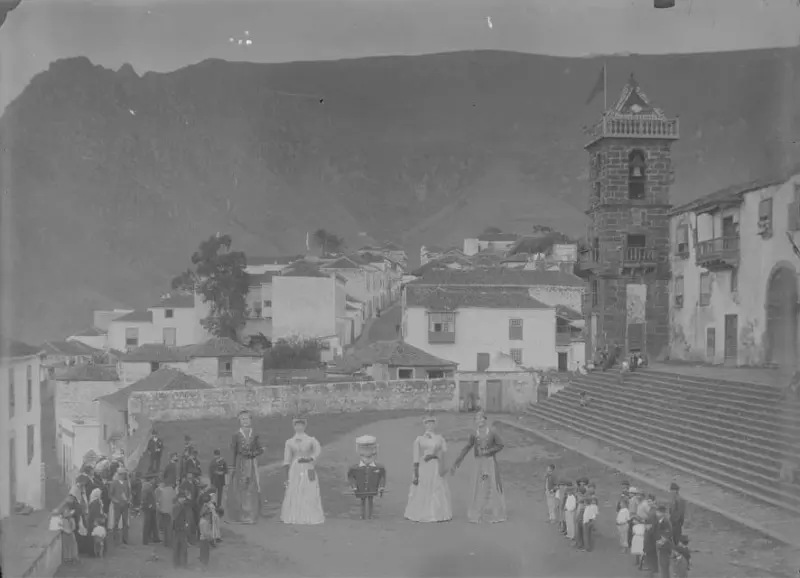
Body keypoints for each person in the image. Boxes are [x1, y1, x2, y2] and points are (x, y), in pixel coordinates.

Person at [450, 411, 507, 524]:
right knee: (479, 485)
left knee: (492, 484)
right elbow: (467, 447)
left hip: (490, 461)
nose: (479, 421)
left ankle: (494, 512)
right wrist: (458, 461)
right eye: (477, 419)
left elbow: (500, 445)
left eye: (481, 418)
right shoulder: (474, 434)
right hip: (478, 463)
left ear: (485, 419)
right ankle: (478, 512)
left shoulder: (492, 432)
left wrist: (488, 451)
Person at [404, 415, 453, 523]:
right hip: (425, 465)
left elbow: (444, 452)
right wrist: (416, 473)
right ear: (424, 424)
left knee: (437, 486)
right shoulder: (419, 439)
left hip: (435, 465)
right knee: (423, 486)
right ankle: (421, 511)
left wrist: (441, 459)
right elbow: (416, 457)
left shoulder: (439, 438)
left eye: (432, 423)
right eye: (427, 423)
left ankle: (438, 512)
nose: (430, 425)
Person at [280, 417, 325, 525]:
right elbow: (287, 459)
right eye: (296, 425)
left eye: (301, 425)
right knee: (295, 488)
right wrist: (286, 474)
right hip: (295, 467)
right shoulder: (289, 442)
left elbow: (318, 451)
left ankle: (310, 514)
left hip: (308, 466)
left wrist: (311, 458)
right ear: (294, 427)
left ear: (304, 426)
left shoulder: (311, 440)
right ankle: (295, 515)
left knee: (309, 487)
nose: (299, 427)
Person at [227, 410, 264, 524]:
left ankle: (252, 514)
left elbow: (259, 449)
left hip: (251, 463)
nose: (245, 421)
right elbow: (233, 451)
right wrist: (232, 466)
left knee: (252, 486)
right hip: (240, 463)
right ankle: (242, 514)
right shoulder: (236, 435)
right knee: (241, 486)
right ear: (239, 421)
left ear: (251, 420)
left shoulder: (254, 434)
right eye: (243, 419)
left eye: (247, 419)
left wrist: (254, 453)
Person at [347, 435, 386, 520]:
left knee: (370, 499)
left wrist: (381, 487)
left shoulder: (379, 467)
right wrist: (354, 486)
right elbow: (351, 477)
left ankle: (370, 515)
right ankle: (363, 515)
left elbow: (382, 476)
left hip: (372, 488)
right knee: (363, 500)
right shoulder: (355, 468)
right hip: (361, 488)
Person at [108, 468, 131, 545]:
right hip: (117, 505)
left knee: (125, 523)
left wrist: (128, 500)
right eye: (123, 474)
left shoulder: (126, 483)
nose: (124, 475)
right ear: (119, 475)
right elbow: (110, 494)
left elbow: (128, 493)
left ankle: (125, 539)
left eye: (124, 474)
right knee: (116, 522)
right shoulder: (114, 483)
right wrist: (115, 500)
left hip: (125, 505)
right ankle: (115, 538)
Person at [172, 489, 192, 569]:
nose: (184, 499)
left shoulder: (179, 505)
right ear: (180, 498)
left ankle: (178, 564)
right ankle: (183, 564)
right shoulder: (178, 506)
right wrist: (183, 525)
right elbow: (175, 518)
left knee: (178, 547)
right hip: (180, 529)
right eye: (183, 498)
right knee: (182, 547)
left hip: (179, 529)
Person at [654, 504, 674, 578]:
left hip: (665, 546)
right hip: (662, 546)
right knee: (662, 565)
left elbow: (667, 534)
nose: (657, 513)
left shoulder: (665, 521)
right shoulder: (660, 521)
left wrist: (659, 543)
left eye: (658, 512)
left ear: (662, 513)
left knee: (664, 564)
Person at [141, 474, 161, 545]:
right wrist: (148, 505)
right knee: (147, 523)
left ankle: (155, 538)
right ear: (151, 479)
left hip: (152, 507)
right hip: (149, 508)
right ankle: (145, 540)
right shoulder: (146, 486)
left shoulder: (150, 486)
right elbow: (144, 497)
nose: (154, 480)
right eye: (154, 479)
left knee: (153, 523)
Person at [155, 480, 173, 547]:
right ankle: (166, 541)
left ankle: (166, 541)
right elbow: (157, 500)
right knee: (164, 524)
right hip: (163, 510)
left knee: (166, 526)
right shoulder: (158, 490)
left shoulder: (165, 490)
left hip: (165, 510)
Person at [198, 494, 214, 568]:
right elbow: (205, 532)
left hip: (204, 539)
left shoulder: (204, 520)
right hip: (204, 540)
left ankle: (203, 567)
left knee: (205, 554)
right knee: (205, 555)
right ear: (205, 515)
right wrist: (211, 539)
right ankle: (203, 568)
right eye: (208, 514)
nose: (209, 516)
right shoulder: (204, 522)